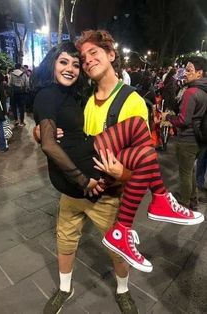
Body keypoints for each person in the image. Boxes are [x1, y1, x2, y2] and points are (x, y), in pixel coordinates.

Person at [34, 35, 204, 314]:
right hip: (74, 187)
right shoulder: (82, 94)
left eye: (93, 53)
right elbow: (55, 125)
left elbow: (142, 163)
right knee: (64, 239)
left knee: (118, 250)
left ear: (112, 54)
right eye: (82, 58)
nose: (87, 61)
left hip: (107, 192)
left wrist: (122, 173)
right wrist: (39, 132)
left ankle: (123, 291)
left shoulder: (132, 101)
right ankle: (65, 288)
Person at [162, 56, 207, 208]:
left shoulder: (191, 92)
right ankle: (193, 199)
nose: (185, 73)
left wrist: (167, 116)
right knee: (191, 171)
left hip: (187, 139)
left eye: (189, 70)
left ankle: (185, 202)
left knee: (185, 173)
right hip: (198, 138)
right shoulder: (203, 90)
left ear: (199, 73)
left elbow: (183, 120)